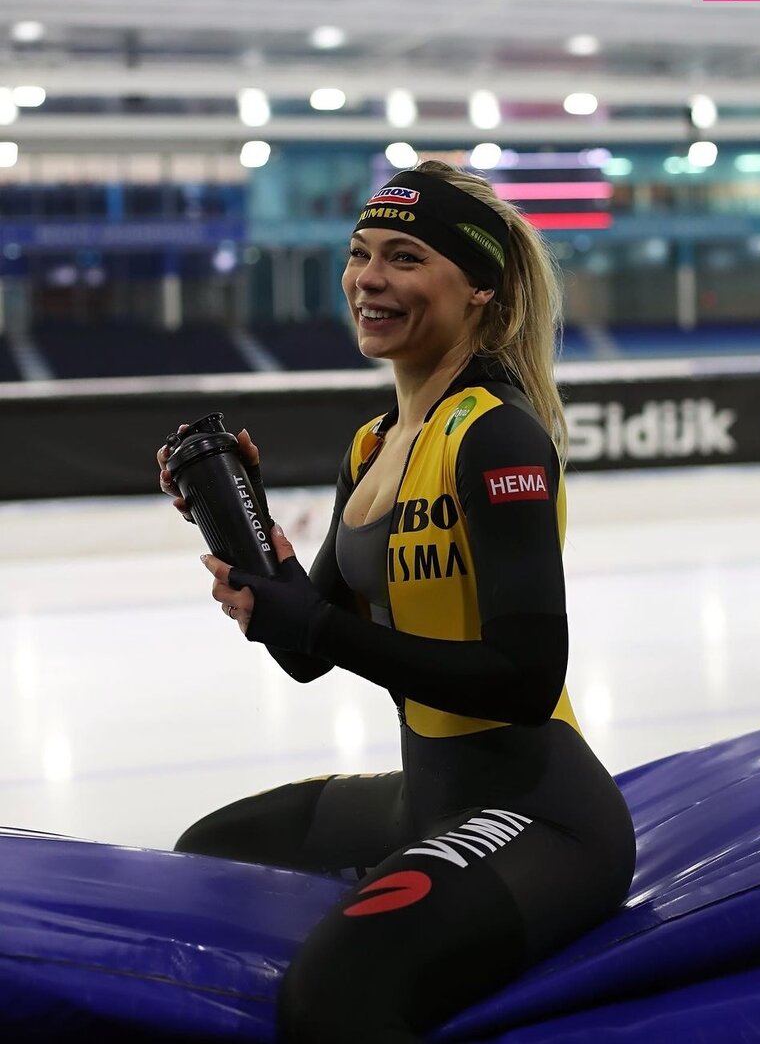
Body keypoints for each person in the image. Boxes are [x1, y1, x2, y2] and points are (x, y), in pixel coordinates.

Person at [157, 160, 636, 1044]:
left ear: (480, 287)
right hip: (427, 794)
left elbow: (526, 680)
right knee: (208, 855)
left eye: (405, 258)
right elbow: (306, 653)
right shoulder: (373, 444)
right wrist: (241, 527)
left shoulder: (495, 434)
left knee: (332, 997)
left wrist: (316, 622)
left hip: (539, 811)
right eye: (360, 253)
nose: (368, 279)